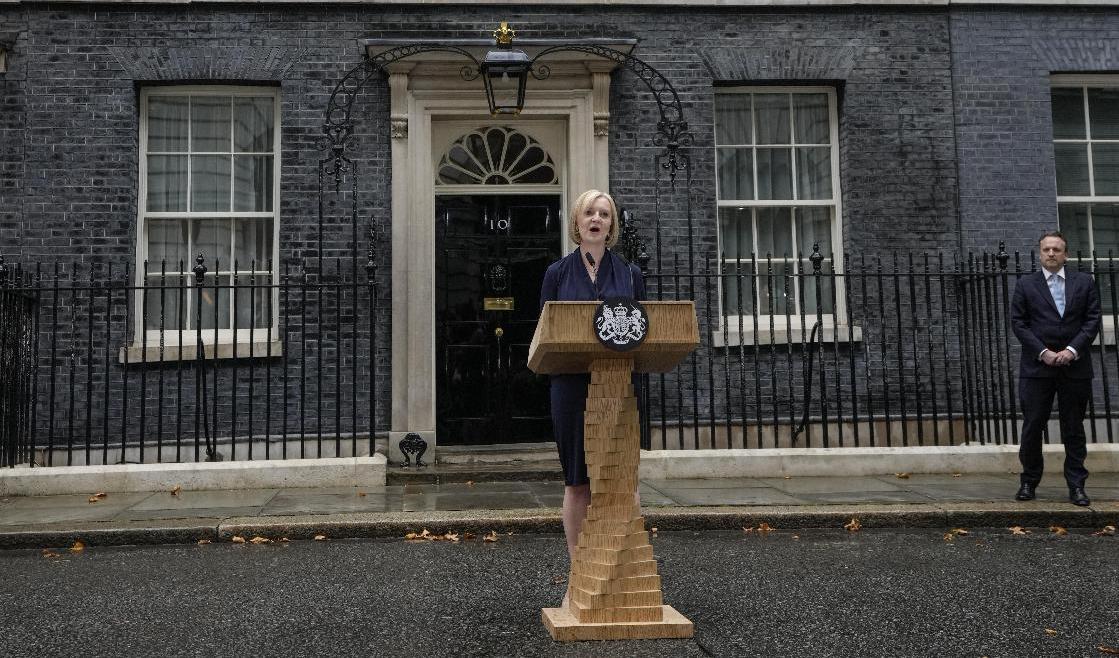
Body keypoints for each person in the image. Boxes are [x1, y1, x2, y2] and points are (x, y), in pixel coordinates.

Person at [538, 189, 645, 602]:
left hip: (618, 386)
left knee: (622, 482)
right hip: (569, 385)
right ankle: (579, 577)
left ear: (611, 224)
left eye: (604, 213)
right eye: (589, 213)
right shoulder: (557, 273)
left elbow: (642, 331)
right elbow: (545, 332)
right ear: (577, 223)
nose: (596, 219)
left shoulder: (631, 275)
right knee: (578, 481)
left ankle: (623, 576)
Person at [1009, 231, 1101, 506]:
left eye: (1057, 249)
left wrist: (1071, 351)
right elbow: (1019, 323)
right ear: (1040, 253)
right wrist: (1044, 352)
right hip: (1037, 368)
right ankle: (1028, 482)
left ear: (1066, 254)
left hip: (1075, 367)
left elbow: (1092, 320)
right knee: (1033, 425)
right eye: (1047, 249)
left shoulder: (1084, 282)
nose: (1051, 253)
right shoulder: (1026, 284)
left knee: (1073, 427)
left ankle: (1076, 486)